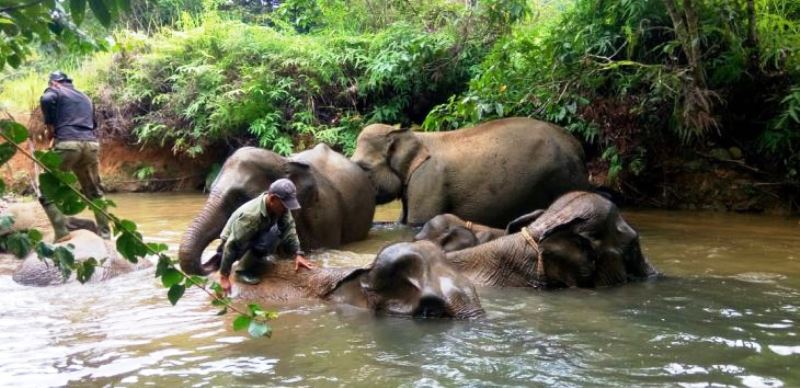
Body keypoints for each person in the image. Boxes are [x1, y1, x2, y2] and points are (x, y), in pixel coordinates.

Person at [39, 71, 111, 240]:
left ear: (54, 82)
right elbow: (92, 123)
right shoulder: (85, 97)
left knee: (46, 189)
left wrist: (50, 128)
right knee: (95, 193)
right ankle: (106, 235)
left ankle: (62, 233)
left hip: (67, 144)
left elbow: (46, 99)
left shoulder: (55, 90)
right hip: (91, 145)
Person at [218, 178, 315, 295]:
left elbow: (288, 227)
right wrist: (224, 276)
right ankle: (241, 271)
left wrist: (297, 254)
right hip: (234, 244)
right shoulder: (251, 216)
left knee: (277, 232)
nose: (286, 208)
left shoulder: (280, 207)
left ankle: (253, 257)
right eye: (285, 204)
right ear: (273, 199)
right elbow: (231, 244)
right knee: (270, 238)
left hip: (252, 235)